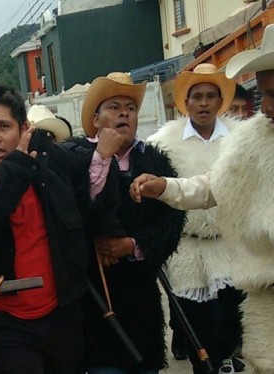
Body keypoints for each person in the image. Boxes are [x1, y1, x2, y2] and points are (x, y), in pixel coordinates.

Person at [130, 21, 274, 374]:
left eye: (273, 94)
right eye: (262, 95)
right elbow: (214, 186)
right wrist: (165, 187)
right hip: (273, 304)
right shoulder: (255, 140)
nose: (264, 106)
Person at [0, 83, 116, 374]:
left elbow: (90, 178)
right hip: (8, 322)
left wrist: (106, 151)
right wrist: (17, 165)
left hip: (63, 316)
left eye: (3, 126)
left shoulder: (50, 160)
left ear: (24, 128)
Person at [69, 72, 185, 373]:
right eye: (114, 106)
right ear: (96, 120)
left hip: (140, 295)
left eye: (130, 108)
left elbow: (173, 218)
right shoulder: (75, 157)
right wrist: (102, 159)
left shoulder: (155, 162)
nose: (124, 113)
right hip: (94, 297)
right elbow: (75, 213)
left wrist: (132, 245)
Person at [143, 63, 243, 373]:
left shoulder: (241, 138)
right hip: (185, 249)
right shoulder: (163, 142)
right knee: (197, 328)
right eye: (196, 96)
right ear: (185, 102)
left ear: (220, 101)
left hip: (230, 246)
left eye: (210, 96)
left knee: (231, 322)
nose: (203, 103)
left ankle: (224, 361)